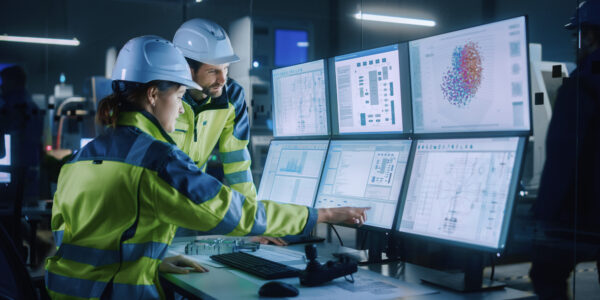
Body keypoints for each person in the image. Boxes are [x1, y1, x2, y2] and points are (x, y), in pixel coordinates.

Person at [44, 35, 368, 299]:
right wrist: (319, 215)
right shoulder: (156, 161)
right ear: (155, 94)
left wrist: (153, 263)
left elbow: (79, 240)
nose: (182, 107)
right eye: (181, 94)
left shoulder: (80, 160)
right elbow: (229, 212)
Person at [171, 19, 289, 245]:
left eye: (226, 68)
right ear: (187, 69)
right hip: (152, 206)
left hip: (188, 208)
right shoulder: (165, 97)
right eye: (213, 71)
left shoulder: (232, 96)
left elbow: (237, 164)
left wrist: (252, 225)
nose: (223, 80)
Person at [529, 1, 600, 299]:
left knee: (545, 273)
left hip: (580, 216)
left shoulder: (579, 87)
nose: (574, 42)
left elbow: (562, 160)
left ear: (590, 36)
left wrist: (542, 215)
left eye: (577, 34)